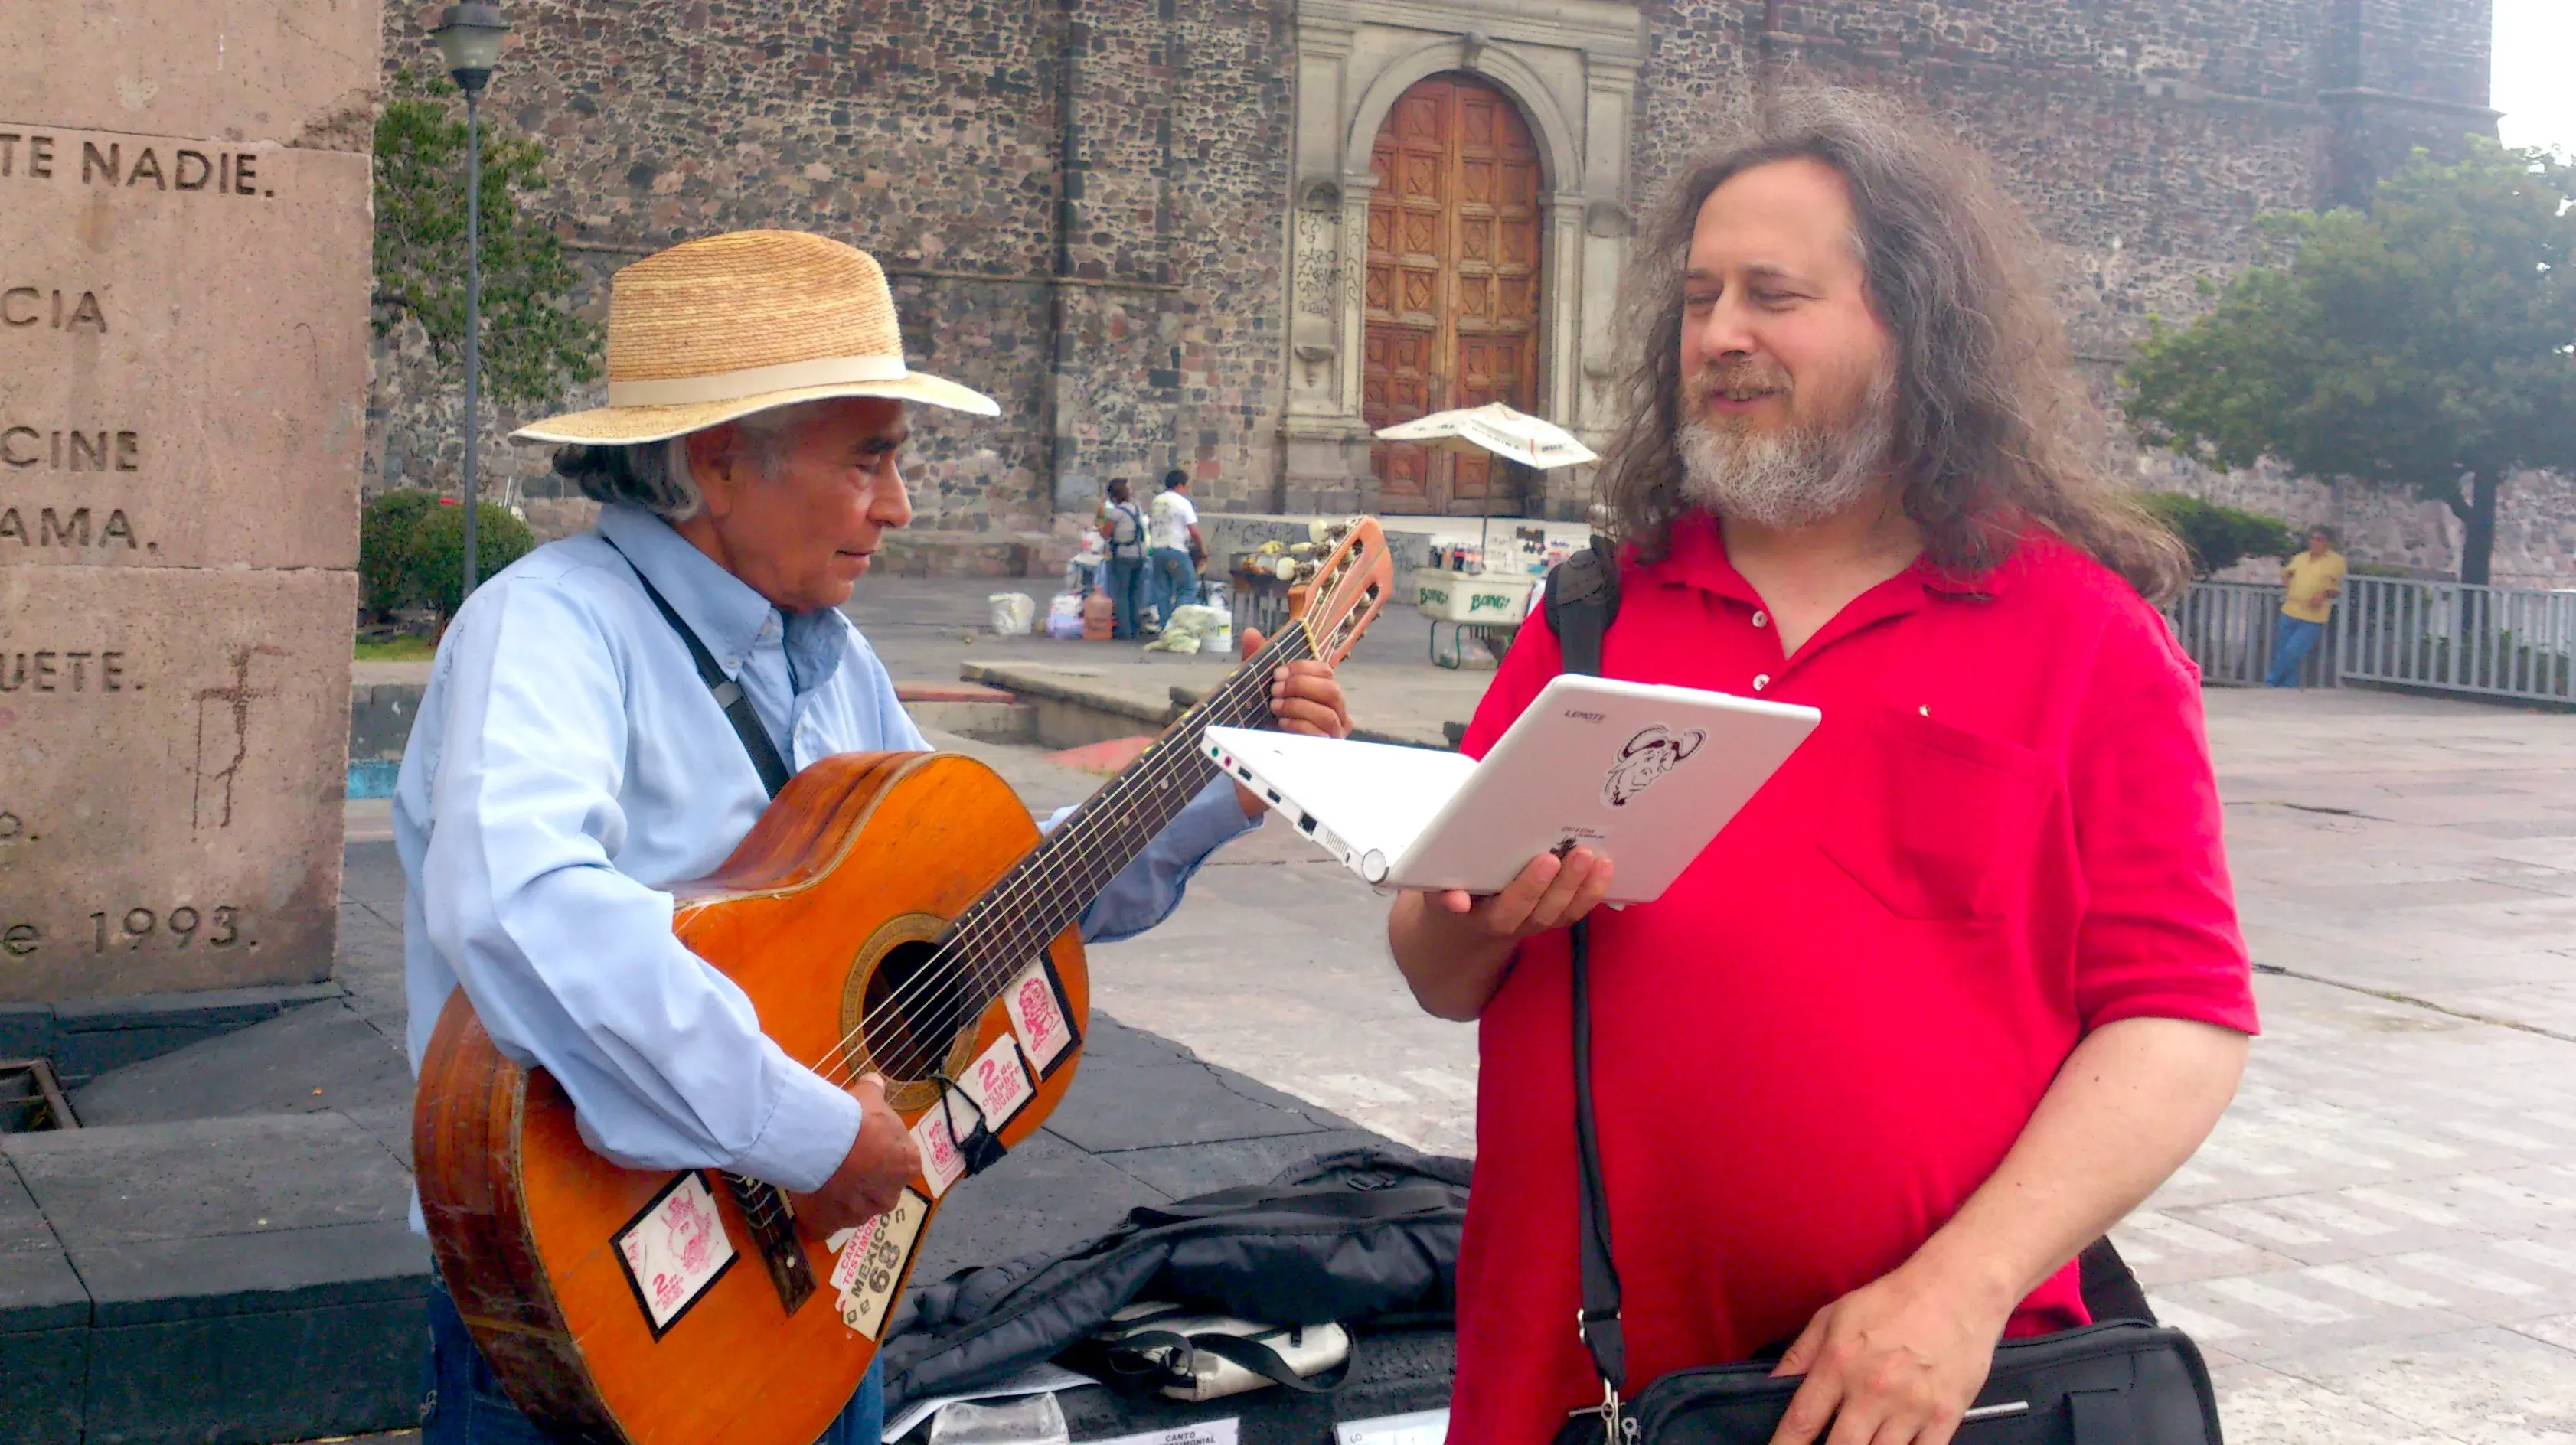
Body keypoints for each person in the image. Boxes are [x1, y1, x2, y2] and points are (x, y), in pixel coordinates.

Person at [1385, 90, 2257, 1445]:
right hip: (1569, 1380)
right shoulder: (1597, 612)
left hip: (1917, 1391)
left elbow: (2181, 1016)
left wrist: (1957, 1293)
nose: (1720, 334)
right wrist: (1474, 913)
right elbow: (1438, 972)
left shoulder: (2083, 634)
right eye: (1697, 297)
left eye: (1772, 295)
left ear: (1910, 323)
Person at [396, 230, 1353, 1445]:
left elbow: (985, 892)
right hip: (601, 1321)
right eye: (870, 462)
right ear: (719, 462)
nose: (898, 508)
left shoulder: (831, 658)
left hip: (817, 1309)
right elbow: (522, 909)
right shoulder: (547, 630)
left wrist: (1220, 778)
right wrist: (800, 1131)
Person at [2267, 525, 2345, 687]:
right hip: (2290, 610)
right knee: (2283, 651)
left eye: (2320, 539)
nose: (2315, 542)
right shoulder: (2301, 558)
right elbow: (2287, 573)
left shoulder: (2336, 561)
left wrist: (2323, 594)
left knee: (2292, 651)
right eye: (2313, 539)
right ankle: (2288, 688)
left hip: (2312, 616)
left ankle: (2271, 682)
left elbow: (2337, 588)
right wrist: (2287, 577)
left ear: (2328, 543)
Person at [1148, 468, 1203, 624]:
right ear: (1179, 485)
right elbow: (1194, 531)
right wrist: (1202, 549)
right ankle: (1179, 625)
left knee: (1162, 591)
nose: (1187, 490)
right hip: (1176, 550)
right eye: (1186, 486)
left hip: (1158, 551)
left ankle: (1165, 626)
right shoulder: (1183, 503)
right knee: (1188, 588)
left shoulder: (1157, 501)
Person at [1098, 476, 1151, 639]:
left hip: (1124, 555)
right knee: (1135, 592)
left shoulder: (1116, 513)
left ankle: (1124, 631)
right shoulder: (1137, 509)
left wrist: (1100, 523)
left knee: (1121, 593)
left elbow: (1106, 534)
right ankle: (1135, 628)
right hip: (1140, 554)